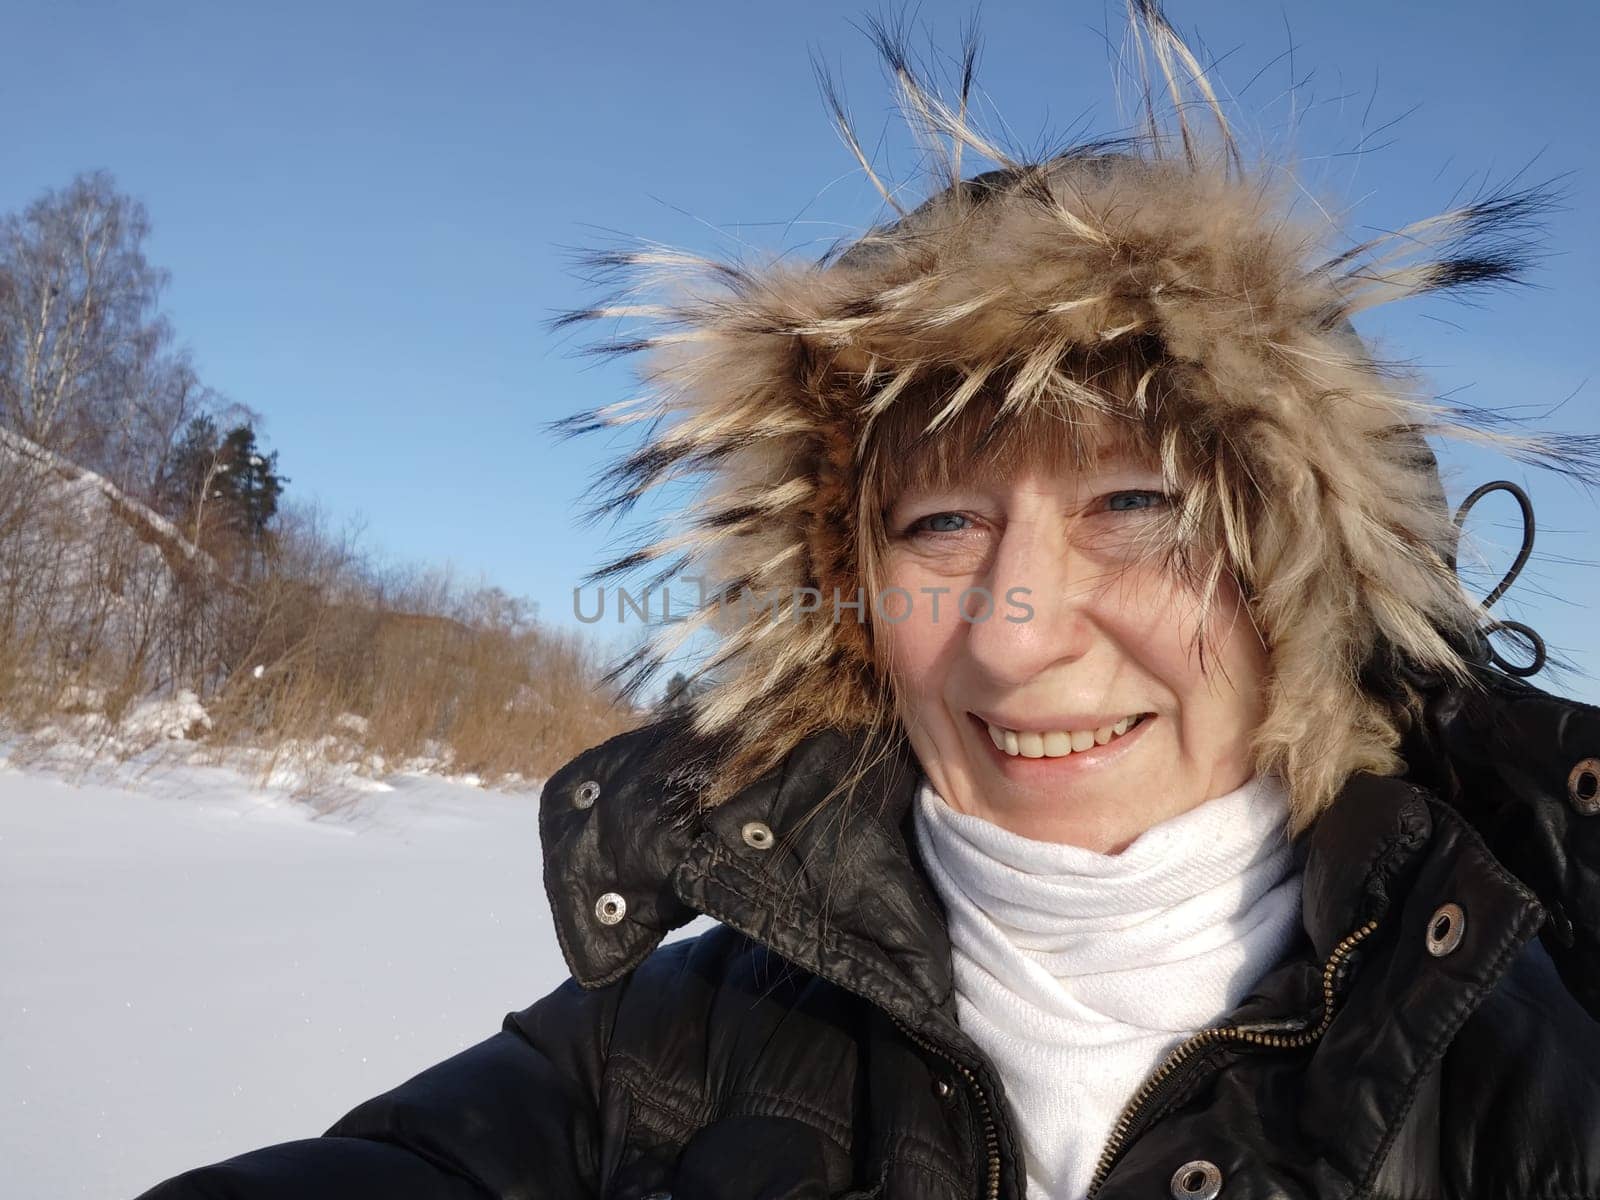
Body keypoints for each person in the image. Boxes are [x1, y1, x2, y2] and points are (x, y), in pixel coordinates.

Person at [137, 4, 1600, 1198]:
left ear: (1316, 582)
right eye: (943, 521)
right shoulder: (679, 1047)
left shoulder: (1536, 1084)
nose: (1017, 634)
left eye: (1136, 506)